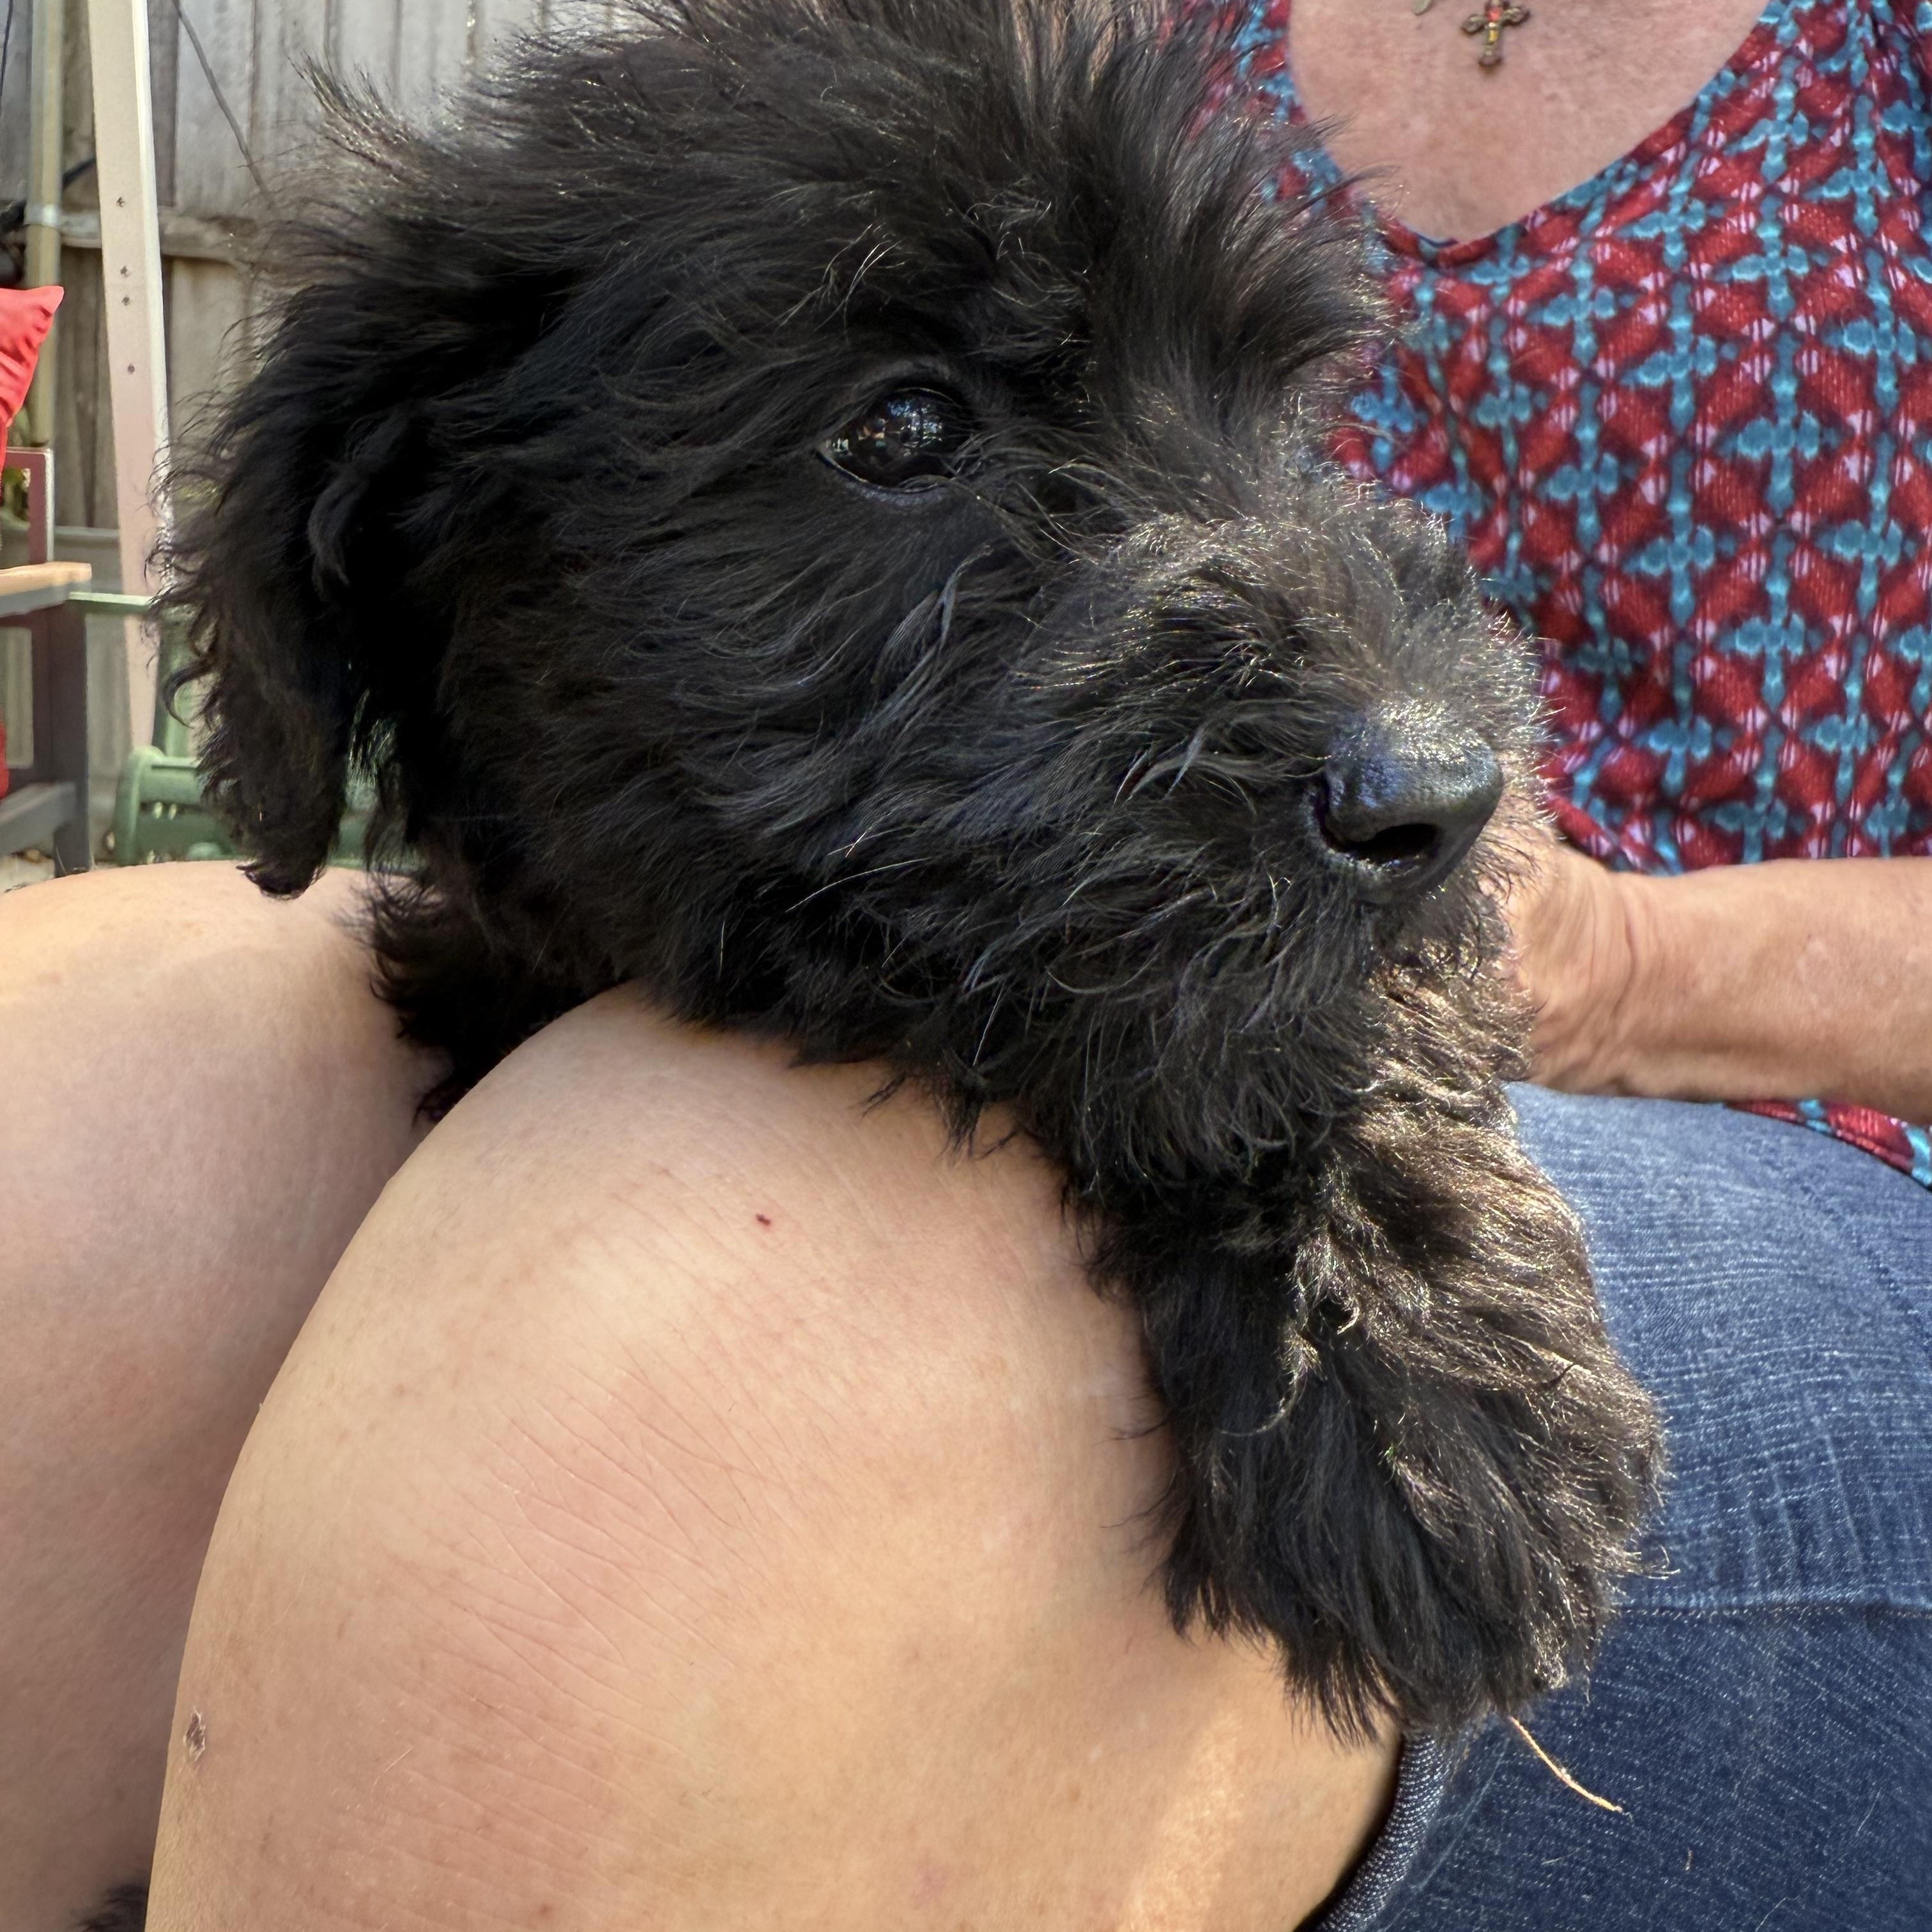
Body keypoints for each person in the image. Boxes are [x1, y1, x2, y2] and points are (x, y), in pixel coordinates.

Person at [3, 1, 1928, 1926]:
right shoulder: (1167, 39)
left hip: (1775, 1122)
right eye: (909, 433)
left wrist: (1591, 977)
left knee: (652, 1322)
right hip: (1034, 917)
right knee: (87, 1104)